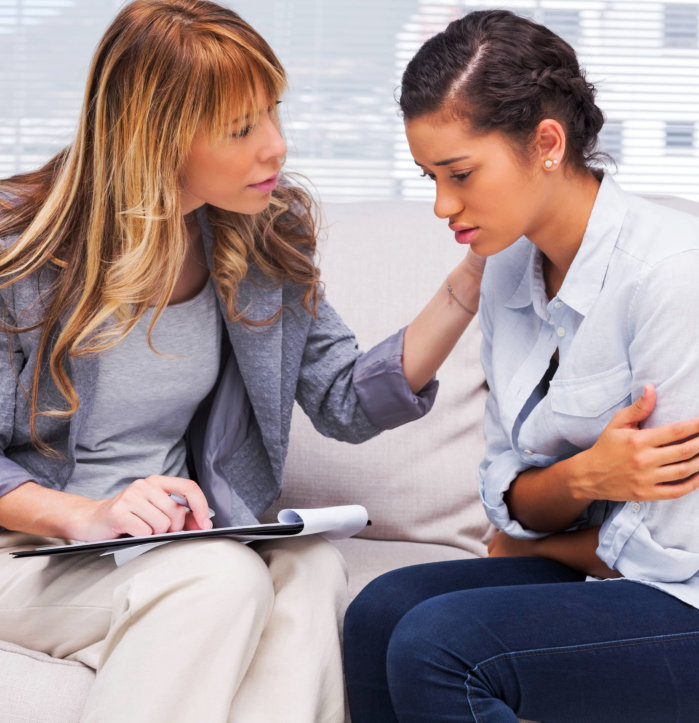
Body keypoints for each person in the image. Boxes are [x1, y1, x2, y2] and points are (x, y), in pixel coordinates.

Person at [0, 2, 488, 721]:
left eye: (273, 114)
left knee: (311, 564)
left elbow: (346, 398)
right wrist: (85, 514)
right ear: (155, 133)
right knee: (216, 576)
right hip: (31, 548)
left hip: (167, 545)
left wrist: (469, 282)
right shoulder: (23, 251)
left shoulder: (258, 236)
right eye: (241, 128)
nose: (276, 147)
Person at [343, 9, 699, 723]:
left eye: (460, 173)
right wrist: (583, 477)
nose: (443, 204)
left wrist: (544, 531)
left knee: (439, 644)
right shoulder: (504, 268)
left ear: (545, 142)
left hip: (682, 593)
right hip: (617, 573)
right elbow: (506, 491)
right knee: (379, 608)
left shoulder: (670, 272)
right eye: (429, 176)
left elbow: (668, 549)